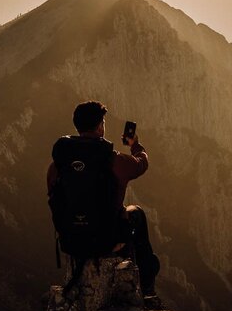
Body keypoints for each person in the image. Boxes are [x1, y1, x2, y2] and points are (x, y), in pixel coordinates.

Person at [46, 101, 160, 297]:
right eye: (103, 123)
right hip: (105, 240)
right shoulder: (113, 161)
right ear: (100, 126)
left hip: (71, 240)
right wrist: (135, 145)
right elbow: (142, 164)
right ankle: (147, 284)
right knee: (136, 214)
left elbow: (54, 199)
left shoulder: (57, 166)